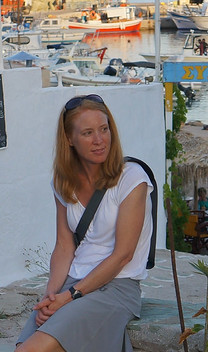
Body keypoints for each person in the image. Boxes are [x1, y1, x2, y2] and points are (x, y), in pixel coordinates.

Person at [15, 94, 154, 352]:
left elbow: (123, 255)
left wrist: (69, 297)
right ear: (69, 139)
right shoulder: (63, 182)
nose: (100, 140)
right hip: (73, 283)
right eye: (88, 132)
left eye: (104, 129)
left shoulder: (132, 179)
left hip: (116, 288)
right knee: (23, 347)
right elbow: (64, 246)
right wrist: (51, 294)